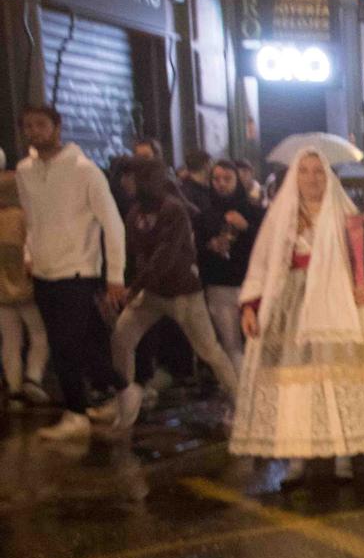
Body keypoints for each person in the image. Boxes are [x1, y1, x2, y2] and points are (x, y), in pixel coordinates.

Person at [230, 150, 364, 481]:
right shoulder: (281, 217)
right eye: (305, 171)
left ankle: (342, 451)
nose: (312, 178)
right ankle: (297, 456)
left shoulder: (346, 216)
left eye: (319, 172)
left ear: (329, 177)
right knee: (294, 383)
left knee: (336, 377)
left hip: (334, 302)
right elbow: (262, 266)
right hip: (291, 307)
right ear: (295, 177)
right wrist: (250, 307)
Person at [15, 105, 127, 442]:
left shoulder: (85, 170)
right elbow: (31, 220)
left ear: (57, 127)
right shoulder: (24, 170)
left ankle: (83, 408)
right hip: (44, 272)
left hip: (79, 270)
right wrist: (28, 253)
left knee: (68, 345)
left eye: (41, 125)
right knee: (83, 340)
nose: (34, 132)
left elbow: (112, 223)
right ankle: (111, 397)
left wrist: (116, 275)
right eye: (28, 126)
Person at [107, 159, 238, 429]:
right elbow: (135, 255)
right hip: (152, 292)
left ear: (145, 179)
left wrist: (134, 287)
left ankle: (241, 402)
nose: (124, 183)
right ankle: (126, 396)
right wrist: (126, 283)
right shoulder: (135, 213)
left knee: (209, 350)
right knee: (121, 338)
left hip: (182, 293)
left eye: (130, 177)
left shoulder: (173, 210)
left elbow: (164, 256)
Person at [195, 158, 265, 367]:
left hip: (251, 284)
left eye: (227, 179)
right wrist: (210, 247)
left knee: (258, 341)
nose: (221, 184)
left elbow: (267, 246)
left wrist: (246, 228)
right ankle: (241, 394)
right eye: (216, 179)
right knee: (231, 344)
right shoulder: (203, 216)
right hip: (220, 286)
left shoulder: (254, 212)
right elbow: (196, 250)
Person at [0, 166, 53, 406]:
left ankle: (14, 389)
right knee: (40, 334)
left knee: (10, 341)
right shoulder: (26, 218)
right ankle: (33, 376)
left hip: (2, 293)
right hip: (28, 291)